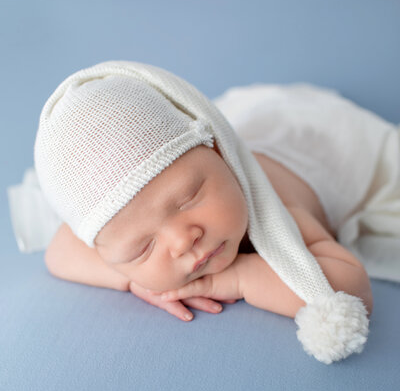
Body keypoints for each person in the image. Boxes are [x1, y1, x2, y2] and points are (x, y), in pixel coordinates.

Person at [12, 59, 391, 363]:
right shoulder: (115, 224)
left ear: (219, 154)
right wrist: (134, 280)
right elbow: (58, 251)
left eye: (189, 197)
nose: (182, 239)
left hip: (315, 140)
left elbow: (349, 290)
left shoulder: (278, 210)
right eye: (141, 248)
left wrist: (239, 278)